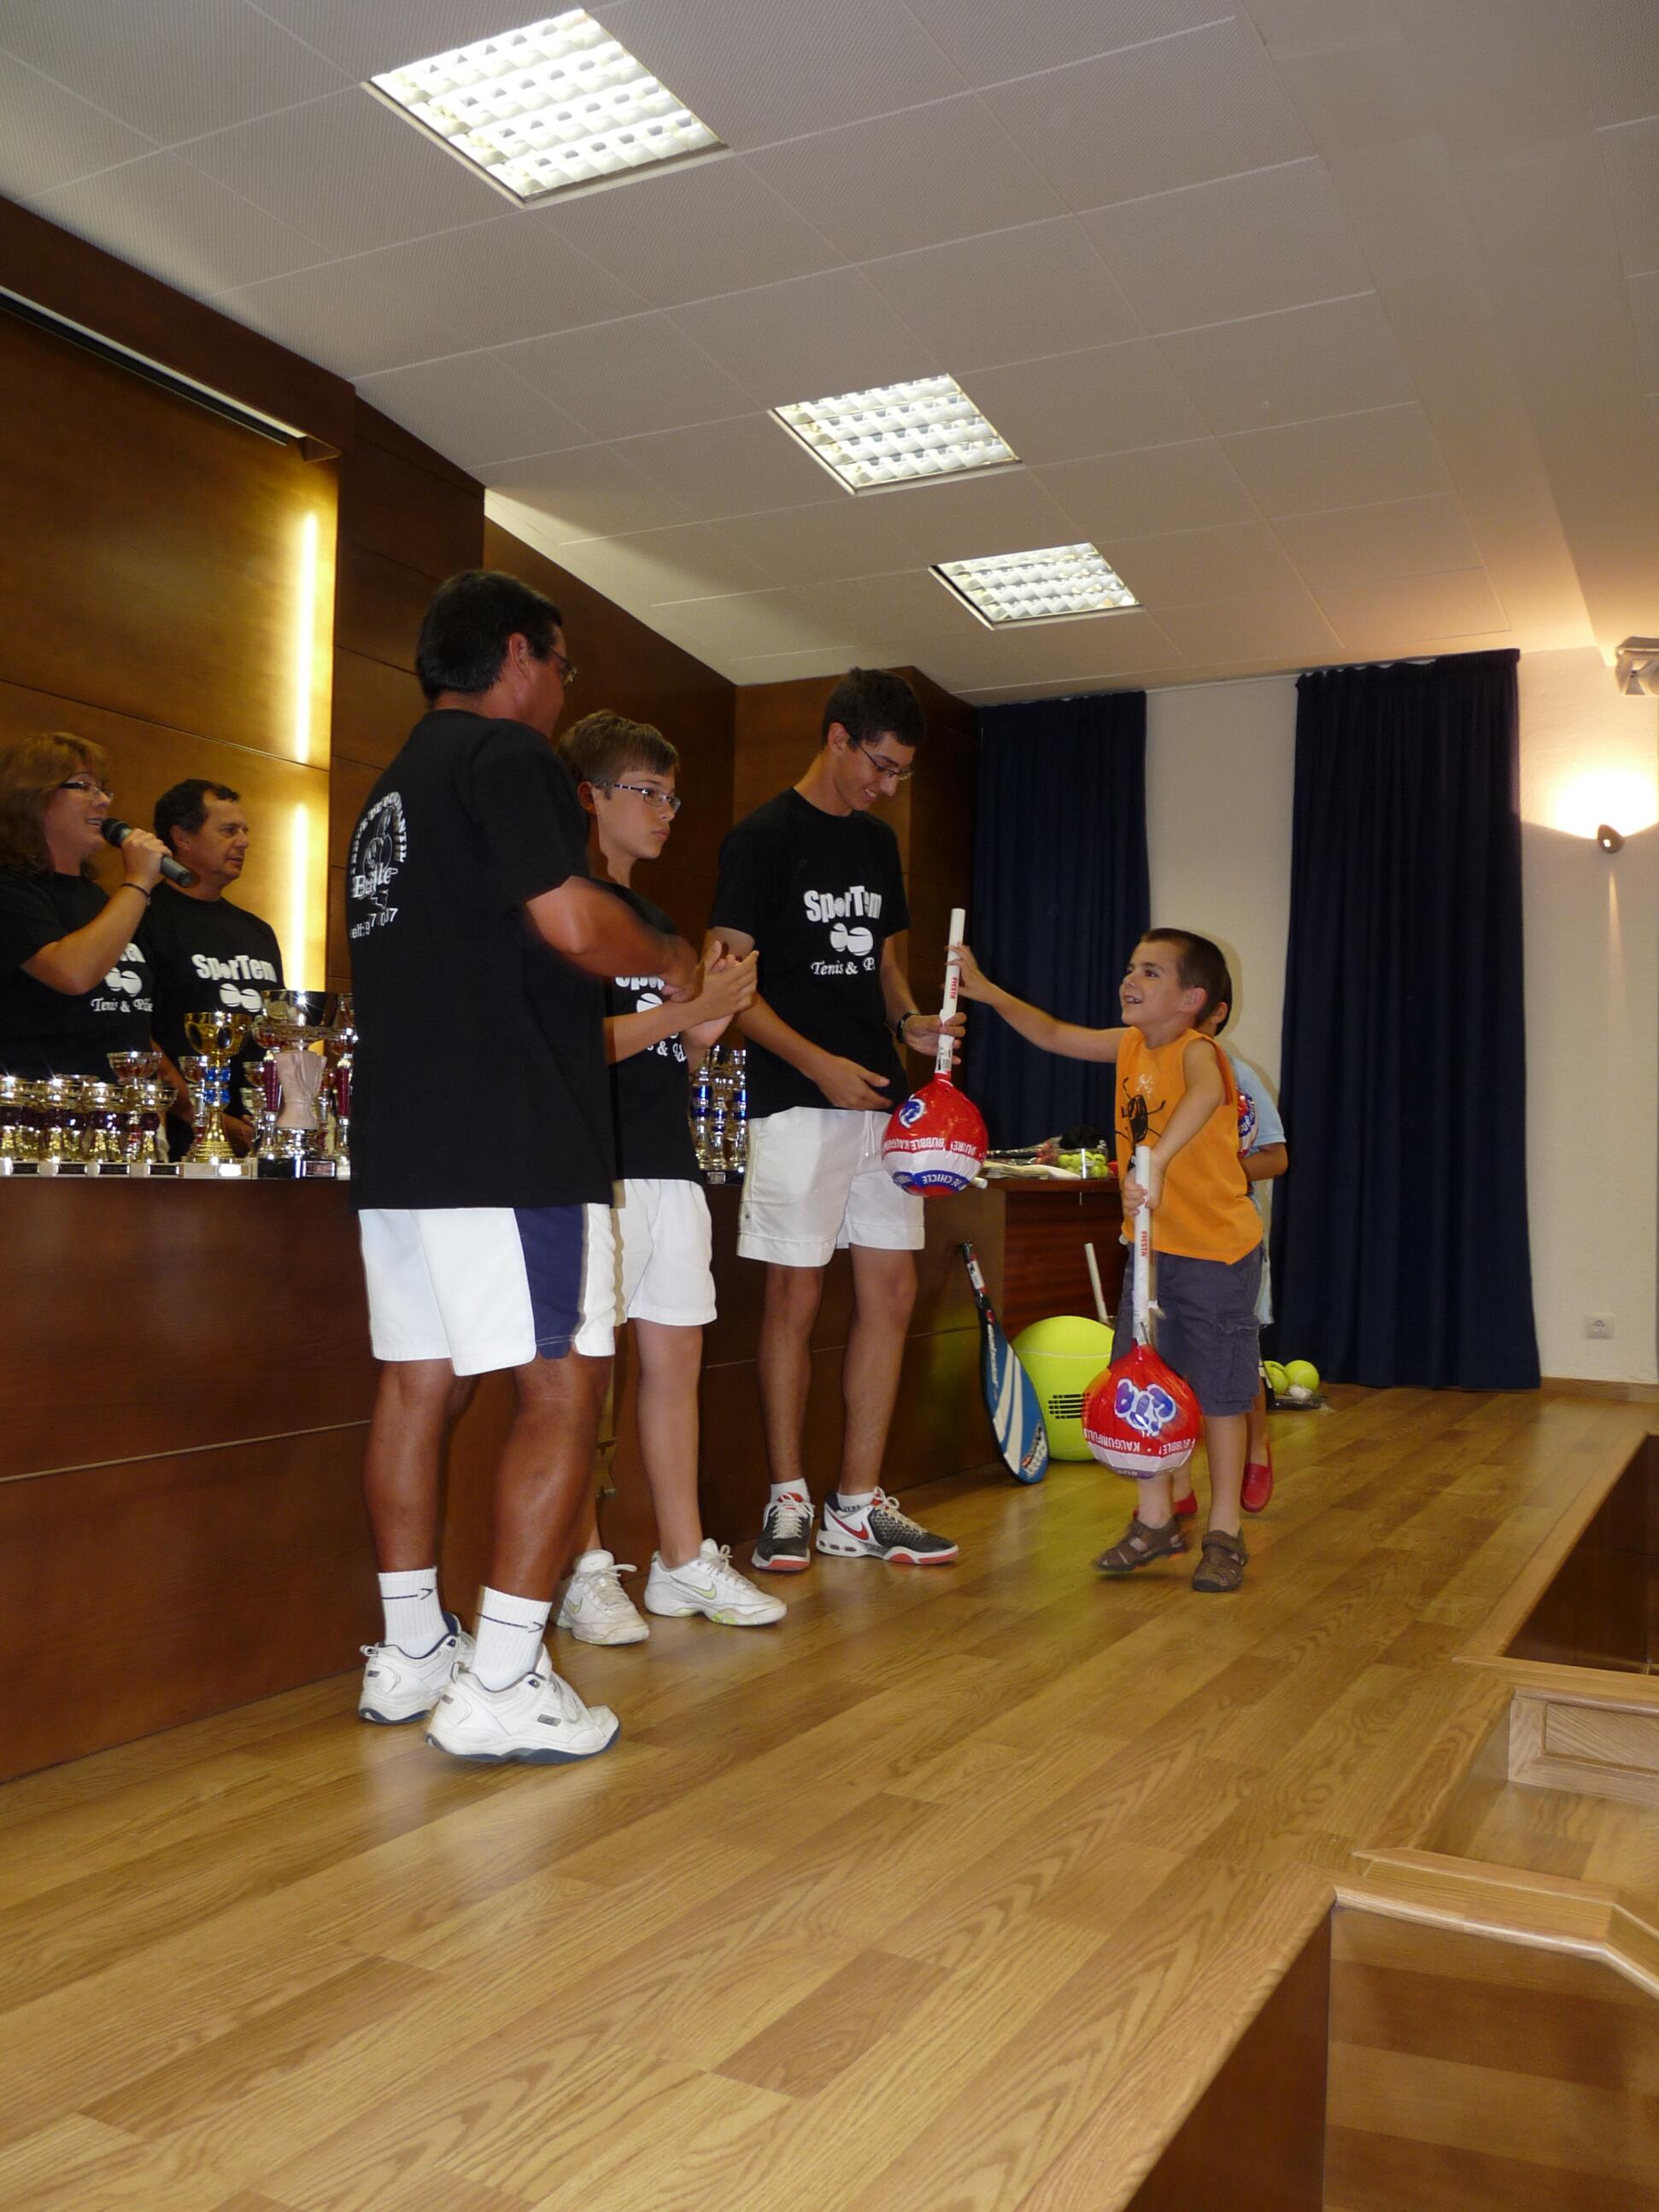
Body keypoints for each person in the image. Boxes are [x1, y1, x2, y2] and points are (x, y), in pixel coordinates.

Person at [348, 571, 697, 1767]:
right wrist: (670, 957)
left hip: (404, 1145)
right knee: (561, 1388)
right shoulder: (507, 758)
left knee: (416, 1383)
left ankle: (412, 1651)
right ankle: (500, 1678)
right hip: (510, 1139)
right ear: (515, 656)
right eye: (559, 664)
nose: (559, 688)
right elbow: (572, 924)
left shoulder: (390, 791)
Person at [706, 668, 964, 1574]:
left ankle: (856, 1504)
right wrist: (817, 1064)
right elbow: (728, 990)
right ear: (838, 738)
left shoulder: (877, 845)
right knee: (796, 1296)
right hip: (796, 1098)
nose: (887, 786)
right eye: (879, 766)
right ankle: (788, 1497)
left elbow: (885, 970)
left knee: (891, 1292)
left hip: (882, 1103)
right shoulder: (761, 839)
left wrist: (911, 1024)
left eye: (901, 773)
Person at [550, 709, 777, 1642]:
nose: (665, 812)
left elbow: (659, 1058)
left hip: (666, 1162)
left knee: (676, 1365)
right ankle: (582, 1568)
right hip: (587, 1167)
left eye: (672, 798)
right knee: (580, 1382)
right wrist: (688, 1012)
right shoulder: (563, 908)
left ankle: (682, 1562)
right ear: (590, 796)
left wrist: (706, 1028)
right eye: (648, 793)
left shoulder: (651, 920)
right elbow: (572, 1046)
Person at [954, 928, 1262, 1593]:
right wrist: (988, 993)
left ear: (1192, 999)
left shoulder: (1200, 1051)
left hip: (1215, 1252)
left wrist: (1158, 1161)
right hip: (1152, 1249)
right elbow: (1052, 1033)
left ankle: (1225, 1530)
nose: (1131, 979)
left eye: (1151, 972)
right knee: (1141, 1382)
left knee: (1220, 1395)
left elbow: (1203, 1096)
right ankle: (1155, 1520)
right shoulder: (1128, 1045)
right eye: (1131, 968)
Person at [0, 732, 165, 1077]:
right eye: (83, 786)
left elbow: (128, 1018)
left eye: (103, 789)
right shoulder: (11, 888)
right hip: (44, 1102)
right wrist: (138, 881)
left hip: (122, 1103)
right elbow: (72, 974)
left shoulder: (102, 899)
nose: (103, 801)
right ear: (34, 796)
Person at [147, 779, 284, 1154]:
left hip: (257, 1135)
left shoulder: (259, 931)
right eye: (228, 831)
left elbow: (277, 1035)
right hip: (178, 1140)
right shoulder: (142, 919)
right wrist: (205, 1118)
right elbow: (134, 1036)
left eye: (245, 831)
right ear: (182, 837)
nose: (244, 841)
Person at [1200, 996, 1287, 1513]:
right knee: (1170, 1351)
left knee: (1238, 1350)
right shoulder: (1148, 1068)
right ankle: (1175, 1483)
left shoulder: (1238, 1075)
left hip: (1229, 1232)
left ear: (1215, 1011)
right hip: (1166, 1227)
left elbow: (1275, 1158)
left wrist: (1210, 1175)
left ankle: (1257, 1448)